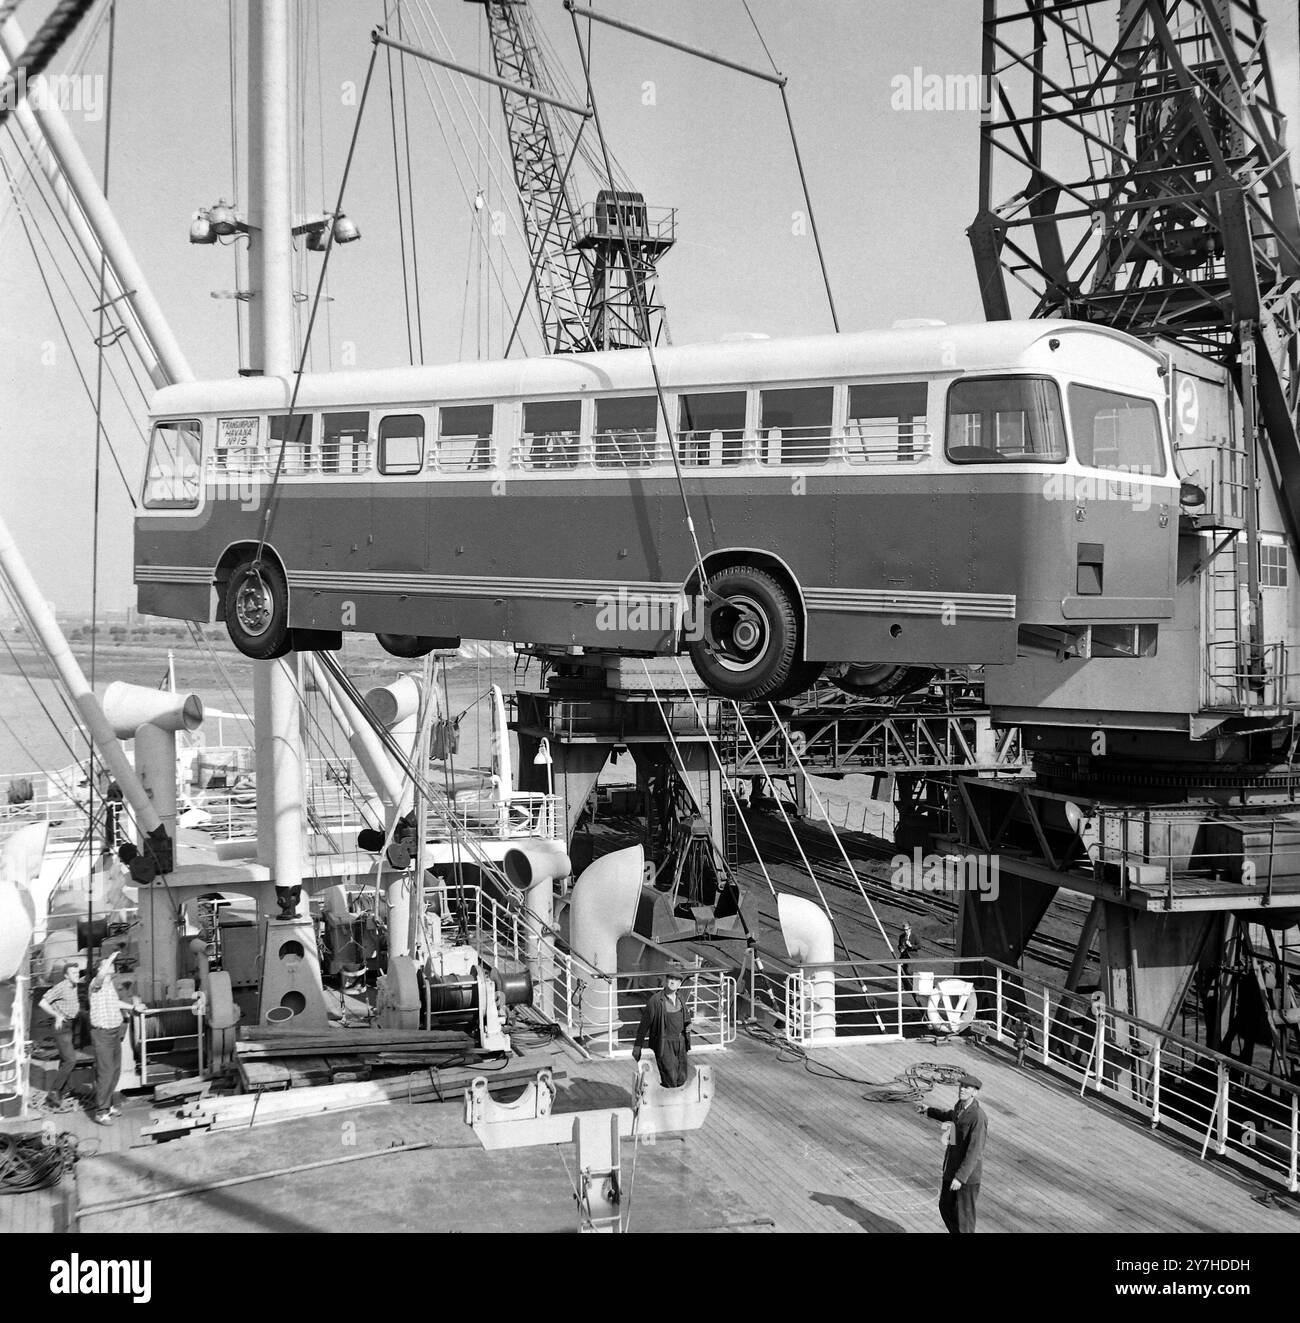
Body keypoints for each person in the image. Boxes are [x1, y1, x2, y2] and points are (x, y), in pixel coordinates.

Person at [915, 1070, 988, 1233]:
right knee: (945, 1206)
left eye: (967, 1087)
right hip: (951, 1169)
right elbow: (951, 1117)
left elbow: (974, 1152)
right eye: (961, 1086)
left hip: (966, 1178)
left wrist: (960, 1178)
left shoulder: (978, 1117)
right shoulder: (959, 1107)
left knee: (965, 1220)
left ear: (975, 1092)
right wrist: (929, 1111)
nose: (962, 1089)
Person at [88, 951, 145, 1126]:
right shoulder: (95, 984)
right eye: (107, 964)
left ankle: (108, 1105)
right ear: (100, 968)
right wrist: (110, 957)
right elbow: (99, 976)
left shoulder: (110, 984)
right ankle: (101, 1112)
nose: (112, 965)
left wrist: (132, 1008)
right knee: (105, 1073)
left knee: (115, 1071)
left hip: (114, 1033)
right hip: (102, 1034)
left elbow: (114, 1003)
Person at [632, 967, 693, 1088]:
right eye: (670, 979)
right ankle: (670, 1102)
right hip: (664, 1043)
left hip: (680, 1042)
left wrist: (689, 1025)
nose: (672, 982)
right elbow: (644, 1025)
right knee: (670, 1077)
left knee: (681, 1077)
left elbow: (686, 1018)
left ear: (680, 984)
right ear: (665, 981)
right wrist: (637, 1046)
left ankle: (671, 1099)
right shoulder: (655, 1001)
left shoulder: (681, 998)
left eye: (676, 980)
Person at [36, 960, 82, 1112]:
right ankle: (54, 1092)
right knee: (71, 1060)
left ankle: (65, 1090)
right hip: (61, 1026)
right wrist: (56, 1016)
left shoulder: (74, 985)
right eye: (74, 973)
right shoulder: (61, 987)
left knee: (65, 1060)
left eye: (78, 972)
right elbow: (42, 1002)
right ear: (66, 976)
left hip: (70, 1025)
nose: (77, 975)